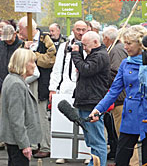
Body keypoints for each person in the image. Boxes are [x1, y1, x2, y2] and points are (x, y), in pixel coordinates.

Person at [90, 25, 147, 166]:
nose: (125, 47)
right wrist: (99, 109)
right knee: (121, 158)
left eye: (129, 43)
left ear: (140, 44)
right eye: (124, 43)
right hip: (131, 113)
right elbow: (114, 90)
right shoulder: (125, 63)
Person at [49, 20, 88, 164]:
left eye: (84, 29)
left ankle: (85, 153)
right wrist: (53, 88)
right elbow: (57, 68)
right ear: (73, 30)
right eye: (78, 29)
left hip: (85, 89)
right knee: (63, 122)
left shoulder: (91, 44)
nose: (81, 32)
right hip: (67, 87)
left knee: (84, 121)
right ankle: (62, 152)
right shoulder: (65, 46)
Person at [18, 16, 56, 158]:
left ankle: (46, 146)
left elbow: (51, 60)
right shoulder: (22, 42)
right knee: (29, 114)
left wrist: (33, 55)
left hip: (41, 83)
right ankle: (33, 144)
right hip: (26, 80)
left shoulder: (45, 39)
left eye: (21, 29)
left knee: (41, 116)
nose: (19, 32)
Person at [71, 31, 110, 166]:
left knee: (97, 140)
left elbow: (86, 70)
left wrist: (76, 55)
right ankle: (94, 163)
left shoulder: (100, 55)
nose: (83, 48)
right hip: (88, 101)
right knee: (92, 139)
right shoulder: (95, 55)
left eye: (85, 45)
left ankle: (97, 163)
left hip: (92, 103)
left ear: (95, 42)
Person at [0, 48, 42, 166]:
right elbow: (16, 119)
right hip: (17, 142)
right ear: (23, 63)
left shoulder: (12, 79)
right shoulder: (16, 84)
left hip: (14, 141)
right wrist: (24, 145)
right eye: (32, 62)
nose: (34, 66)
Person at [102, 26, 128, 160]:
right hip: (119, 97)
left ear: (107, 38)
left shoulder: (116, 50)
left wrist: (102, 74)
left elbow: (117, 73)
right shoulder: (115, 49)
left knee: (122, 133)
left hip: (120, 98)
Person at [0, 25, 24, 150]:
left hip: (15, 82)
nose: (8, 41)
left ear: (15, 34)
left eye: (10, 38)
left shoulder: (21, 46)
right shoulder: (1, 45)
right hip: (1, 81)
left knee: (15, 113)